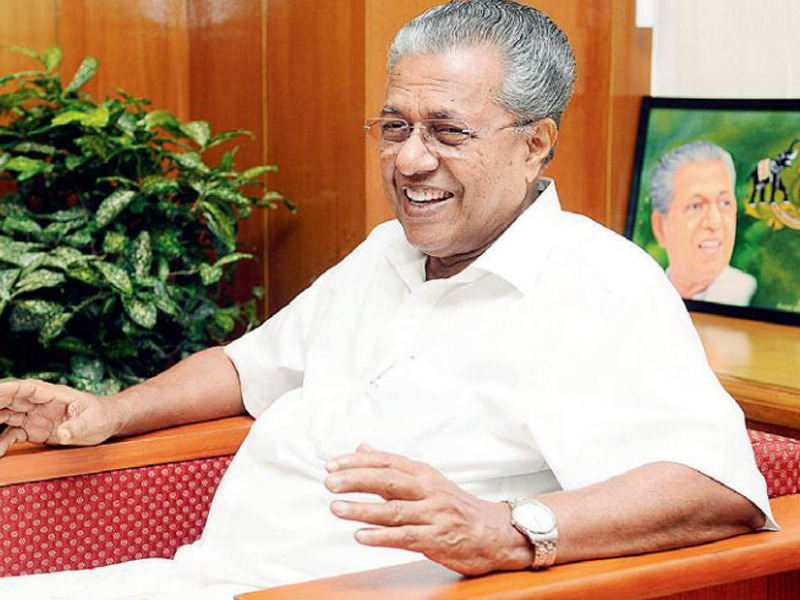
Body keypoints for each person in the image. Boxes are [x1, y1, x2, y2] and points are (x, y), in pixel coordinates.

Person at [0, 2, 774, 599]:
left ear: (535, 143)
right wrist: (110, 413)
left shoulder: (598, 283)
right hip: (198, 579)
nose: (409, 160)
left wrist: (508, 530)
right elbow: (248, 368)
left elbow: (718, 487)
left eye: (447, 132)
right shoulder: (386, 252)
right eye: (395, 126)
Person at [649, 141, 757, 305]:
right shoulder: (644, 297)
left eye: (724, 203)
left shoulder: (750, 293)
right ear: (660, 228)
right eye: (695, 206)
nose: (714, 222)